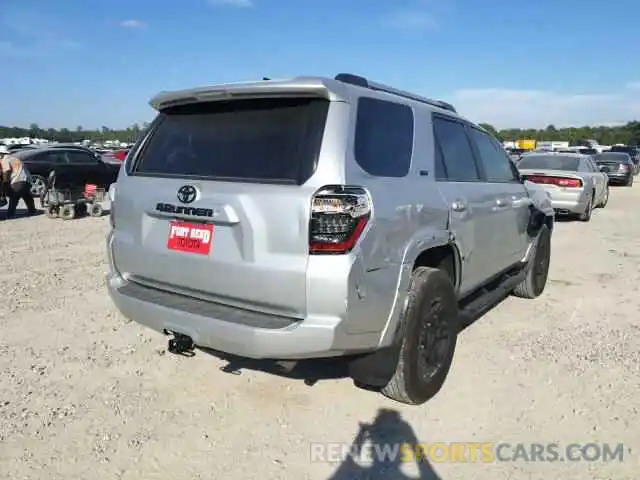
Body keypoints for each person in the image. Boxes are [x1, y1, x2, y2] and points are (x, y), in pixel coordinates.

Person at [0, 150, 37, 218]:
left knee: (14, 196)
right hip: (27, 179)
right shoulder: (15, 159)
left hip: (18, 180)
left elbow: (7, 171)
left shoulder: (5, 160)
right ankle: (32, 210)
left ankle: (10, 214)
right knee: (26, 195)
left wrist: (5, 182)